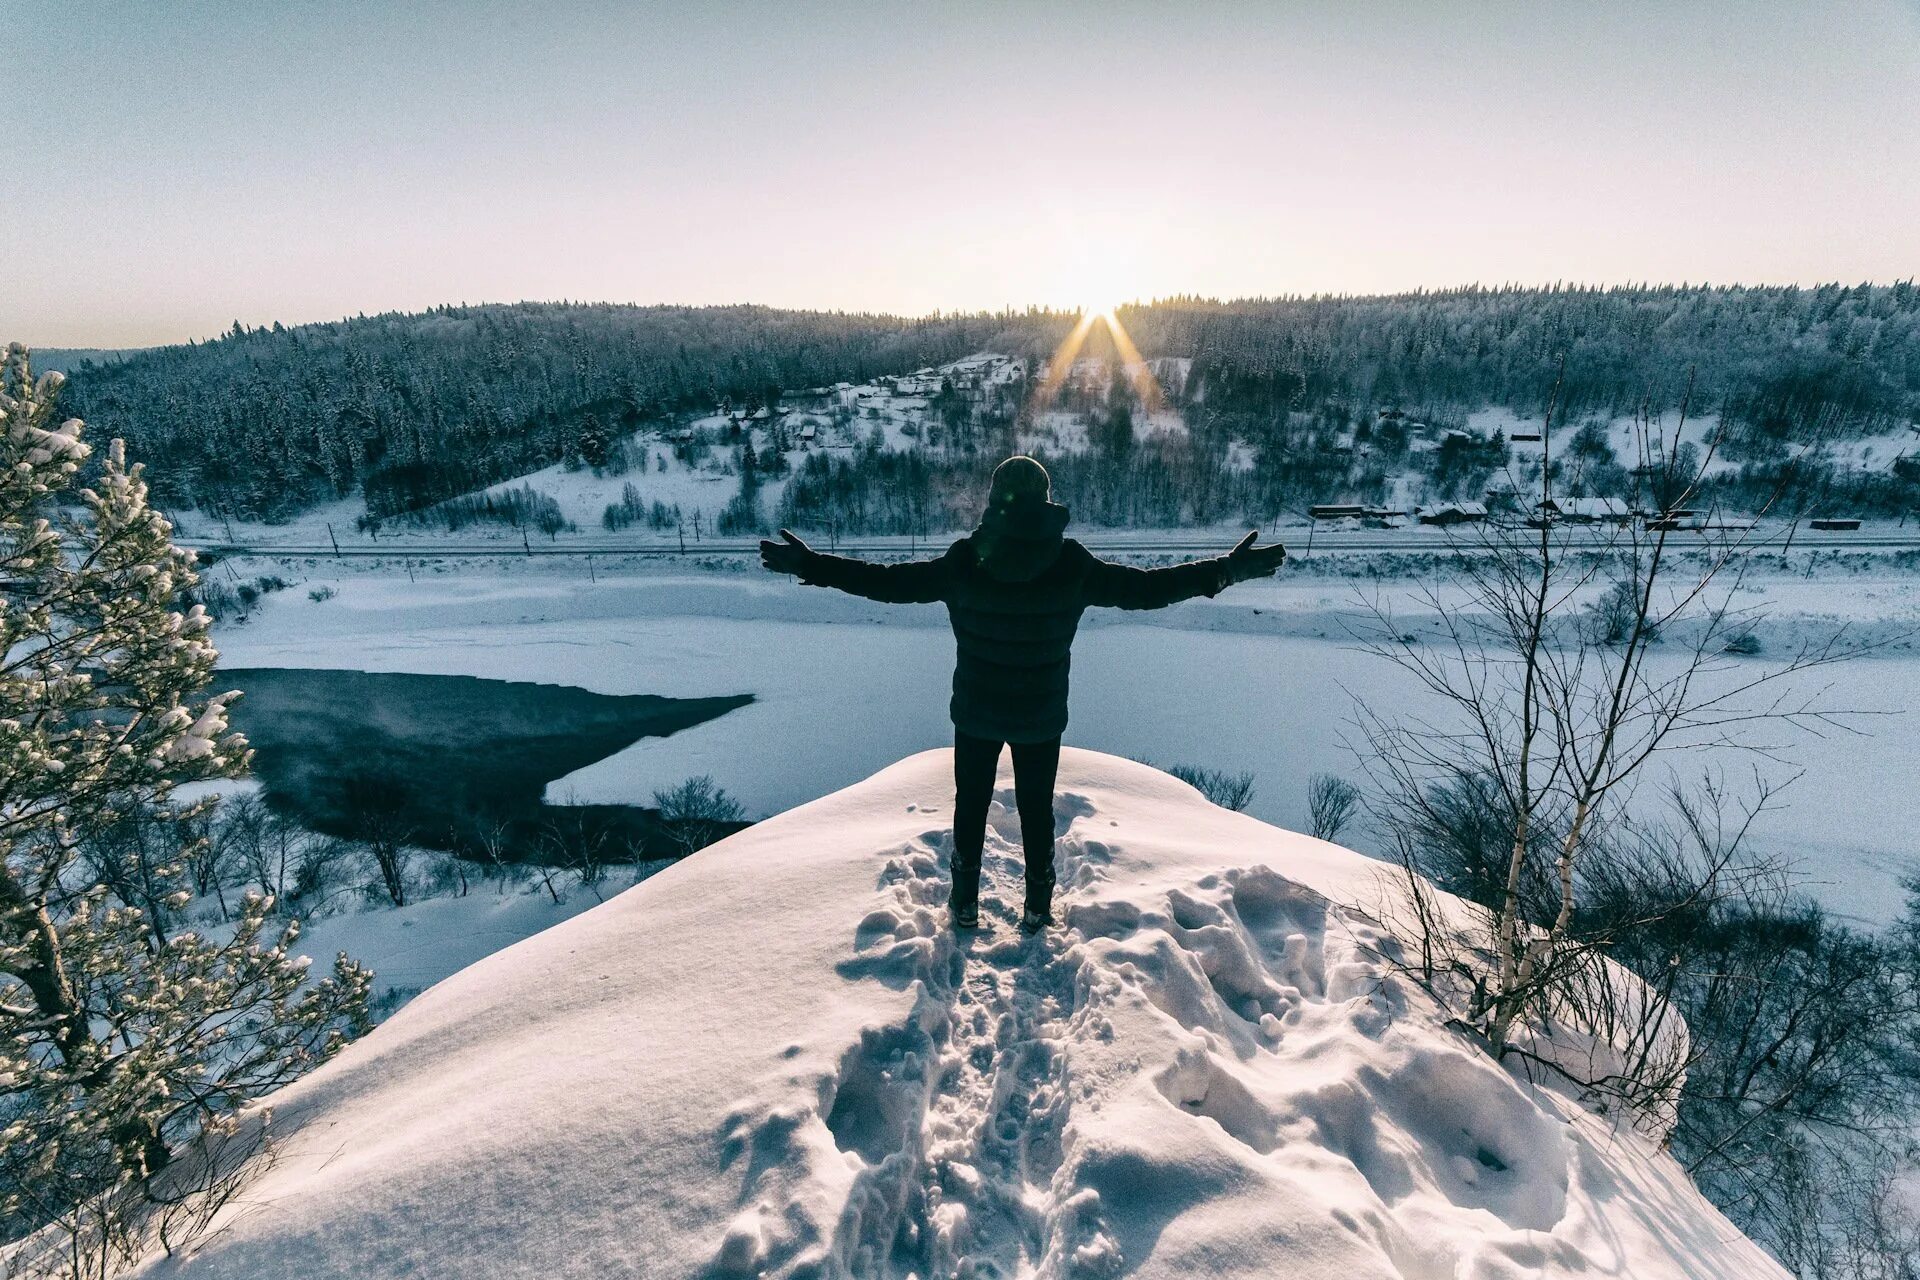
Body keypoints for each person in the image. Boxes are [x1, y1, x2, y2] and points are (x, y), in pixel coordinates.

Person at [760, 455, 1287, 933]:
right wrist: (1228, 569)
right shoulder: (1071, 566)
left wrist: (812, 566)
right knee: (1037, 811)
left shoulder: (965, 561)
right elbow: (1149, 590)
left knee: (970, 806)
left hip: (976, 713)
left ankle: (964, 904)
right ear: (1046, 499)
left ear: (995, 502)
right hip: (1039, 717)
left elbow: (886, 582)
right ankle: (1037, 910)